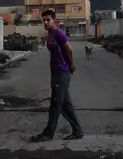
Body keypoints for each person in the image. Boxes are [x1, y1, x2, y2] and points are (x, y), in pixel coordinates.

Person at [30, 9, 84, 142]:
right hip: (55, 72)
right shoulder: (49, 35)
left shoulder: (59, 33)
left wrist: (71, 65)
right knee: (65, 103)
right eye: (44, 20)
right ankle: (78, 131)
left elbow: (69, 50)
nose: (46, 22)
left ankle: (48, 133)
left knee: (55, 103)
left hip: (62, 71)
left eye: (48, 20)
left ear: (54, 21)